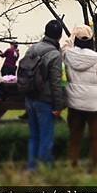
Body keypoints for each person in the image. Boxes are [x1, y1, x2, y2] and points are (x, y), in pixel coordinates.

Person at [22, 20, 65, 171]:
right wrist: (58, 106)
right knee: (46, 138)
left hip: (29, 98)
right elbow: (56, 82)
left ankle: (32, 168)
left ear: (45, 32)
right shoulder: (54, 54)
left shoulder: (32, 48)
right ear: (59, 36)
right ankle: (43, 171)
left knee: (34, 136)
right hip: (45, 101)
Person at [62, 25, 97, 171]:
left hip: (74, 102)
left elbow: (65, 46)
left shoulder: (68, 55)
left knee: (74, 137)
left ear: (76, 39)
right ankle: (95, 168)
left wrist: (72, 34)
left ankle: (73, 166)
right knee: (96, 138)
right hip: (94, 103)